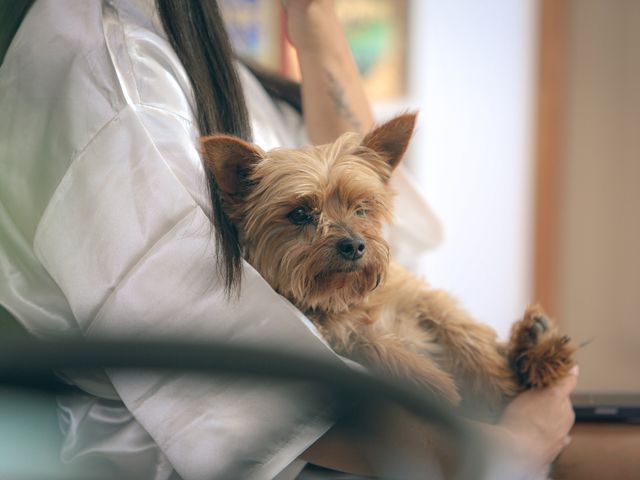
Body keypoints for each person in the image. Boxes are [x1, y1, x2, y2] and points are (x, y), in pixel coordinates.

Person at [0, 0, 576, 478]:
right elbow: (214, 360)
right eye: (304, 216)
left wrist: (316, 22)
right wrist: (508, 447)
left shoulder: (204, 55)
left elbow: (360, 186)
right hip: (282, 452)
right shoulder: (116, 76)